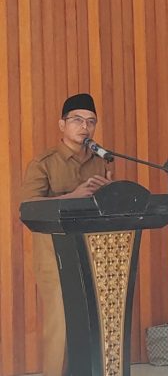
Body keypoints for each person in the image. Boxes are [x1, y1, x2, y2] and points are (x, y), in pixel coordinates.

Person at [20, 94, 113, 376]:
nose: (85, 127)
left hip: (93, 251)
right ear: (62, 124)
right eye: (77, 120)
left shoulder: (100, 161)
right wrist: (72, 196)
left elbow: (104, 206)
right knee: (60, 322)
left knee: (93, 319)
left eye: (91, 121)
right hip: (55, 255)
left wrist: (108, 194)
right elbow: (28, 207)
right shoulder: (44, 163)